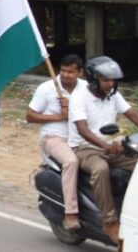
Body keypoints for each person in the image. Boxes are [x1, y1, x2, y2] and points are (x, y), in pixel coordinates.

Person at [69, 56, 138, 242]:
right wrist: (105, 146)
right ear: (93, 79)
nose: (110, 84)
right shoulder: (79, 97)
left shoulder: (113, 95)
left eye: (113, 80)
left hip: (113, 146)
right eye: (106, 80)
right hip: (85, 148)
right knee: (100, 169)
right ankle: (109, 221)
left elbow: (134, 115)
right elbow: (82, 130)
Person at [27, 54, 87, 231]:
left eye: (71, 72)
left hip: (80, 138)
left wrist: (73, 106)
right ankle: (70, 214)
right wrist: (59, 116)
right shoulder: (47, 88)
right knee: (71, 162)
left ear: (80, 73)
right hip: (54, 138)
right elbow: (30, 116)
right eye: (63, 71)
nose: (66, 75)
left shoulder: (86, 89)